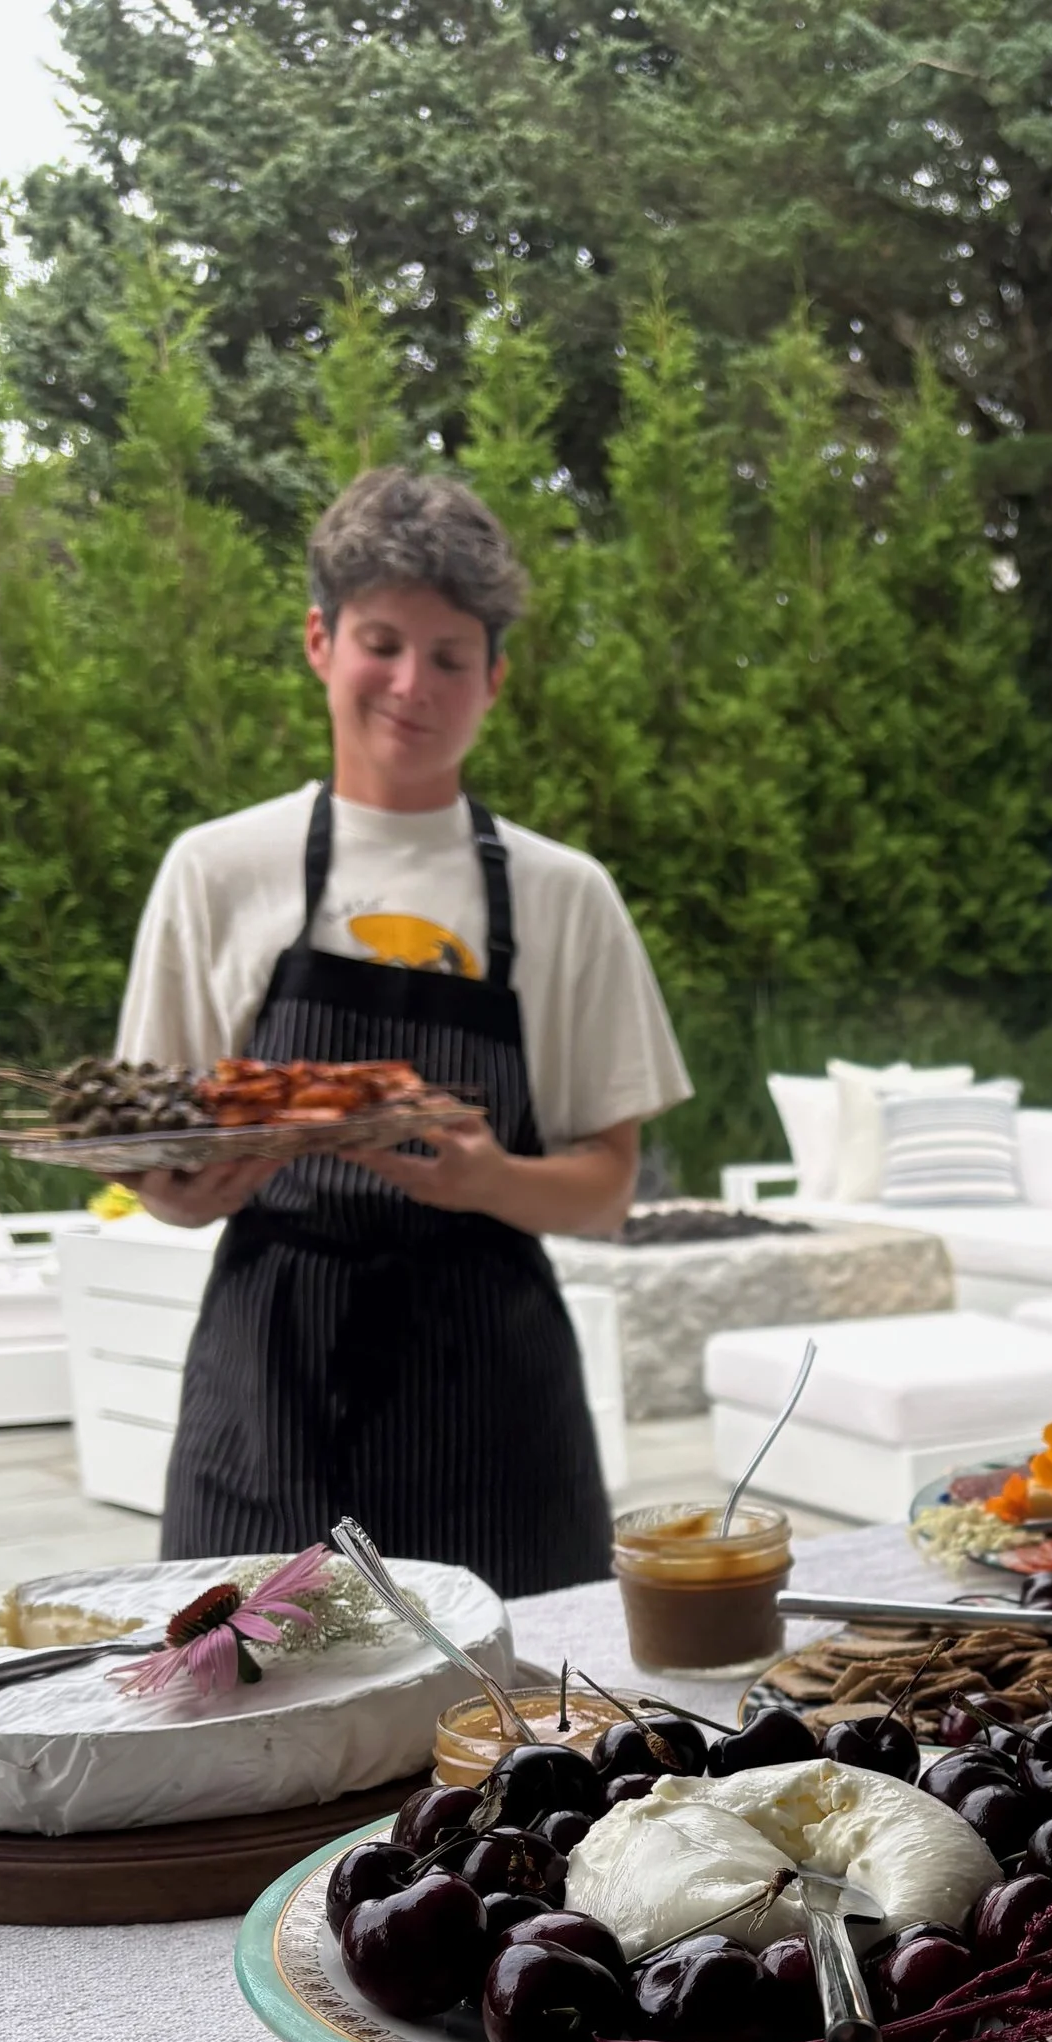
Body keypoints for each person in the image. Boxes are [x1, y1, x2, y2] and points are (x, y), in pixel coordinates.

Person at [112, 467, 689, 1595]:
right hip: (272, 1376)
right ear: (320, 641)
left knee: (517, 1733)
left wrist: (480, 1180)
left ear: (495, 678)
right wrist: (202, 1182)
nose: (411, 684)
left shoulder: (564, 892)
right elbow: (157, 1169)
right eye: (381, 642)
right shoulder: (217, 870)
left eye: (450, 656)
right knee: (252, 1719)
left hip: (492, 1381)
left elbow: (606, 1189)